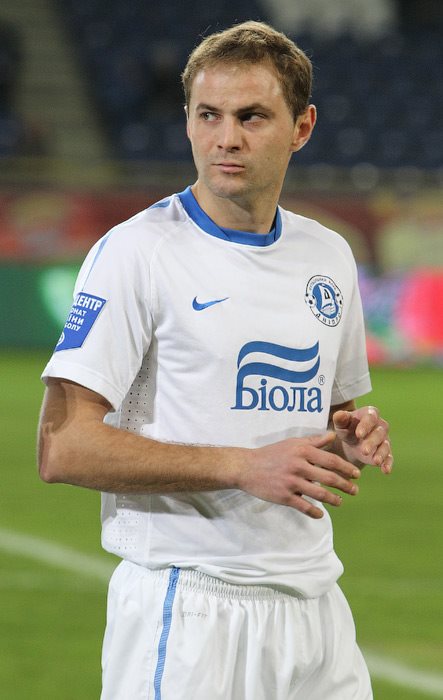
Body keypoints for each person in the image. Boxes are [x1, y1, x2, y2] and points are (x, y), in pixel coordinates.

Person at [38, 20, 393, 700]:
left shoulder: (328, 254)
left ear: (302, 127)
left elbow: (330, 414)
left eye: (251, 116)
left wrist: (348, 435)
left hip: (315, 606)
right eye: (208, 115)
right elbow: (62, 446)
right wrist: (241, 466)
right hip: (189, 610)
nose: (225, 138)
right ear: (188, 121)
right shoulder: (136, 253)